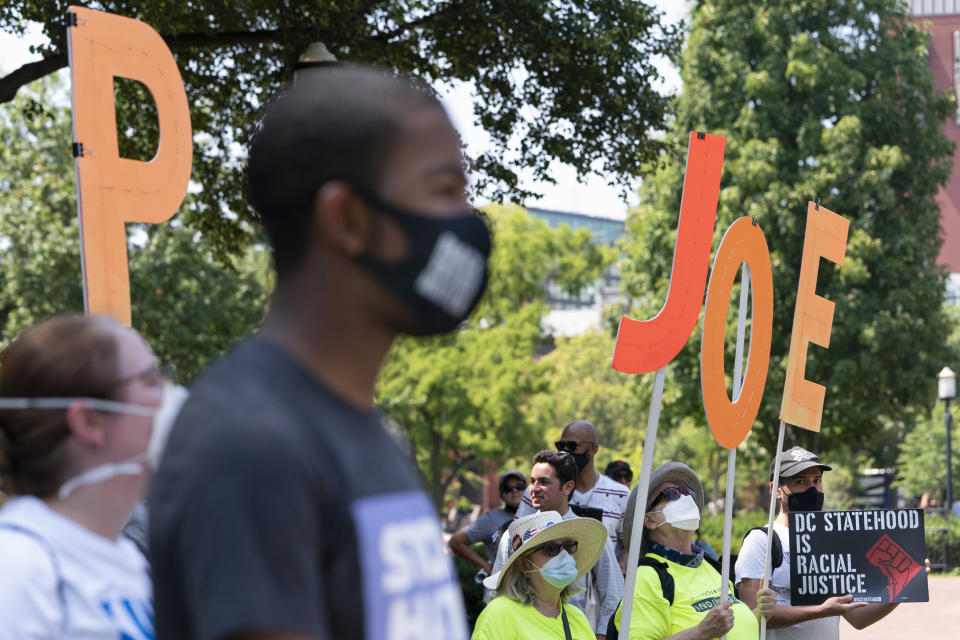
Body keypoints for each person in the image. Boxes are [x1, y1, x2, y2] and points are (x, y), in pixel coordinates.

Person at [149, 65, 489, 640]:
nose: (468, 221)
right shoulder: (251, 440)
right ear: (347, 219)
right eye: (444, 191)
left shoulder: (364, 433)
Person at [0, 314, 184, 639]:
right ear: (89, 420)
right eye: (149, 379)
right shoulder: (20, 565)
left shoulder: (123, 558)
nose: (167, 393)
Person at [735, 446, 901, 639]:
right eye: (800, 481)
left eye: (817, 480)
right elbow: (752, 615)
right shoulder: (762, 541)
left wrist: (903, 589)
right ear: (776, 490)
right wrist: (820, 611)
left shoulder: (829, 542)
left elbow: (858, 617)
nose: (812, 489)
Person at [610, 461, 775, 640]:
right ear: (650, 520)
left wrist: (760, 612)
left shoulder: (712, 567)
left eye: (688, 492)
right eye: (671, 494)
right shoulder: (647, 577)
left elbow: (732, 628)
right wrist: (700, 632)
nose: (685, 498)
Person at [491, 450, 623, 638]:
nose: (534, 488)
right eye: (532, 481)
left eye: (544, 482)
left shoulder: (587, 534)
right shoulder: (515, 535)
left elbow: (614, 592)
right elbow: (496, 590)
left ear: (568, 487)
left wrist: (601, 635)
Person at [474, 510, 608, 639]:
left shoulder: (577, 617)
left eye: (569, 546)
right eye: (551, 549)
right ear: (523, 565)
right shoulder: (499, 613)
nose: (564, 554)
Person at [518, 421, 629, 551]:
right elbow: (519, 535)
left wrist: (623, 559)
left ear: (593, 450)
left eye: (572, 446)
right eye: (560, 446)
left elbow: (629, 544)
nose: (565, 451)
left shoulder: (621, 493)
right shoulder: (540, 491)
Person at [450, 470, 526, 577]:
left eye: (519, 486)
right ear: (502, 495)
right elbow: (456, 542)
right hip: (501, 588)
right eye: (508, 488)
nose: (514, 490)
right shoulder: (490, 519)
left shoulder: (537, 515)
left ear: (527, 490)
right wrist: (486, 566)